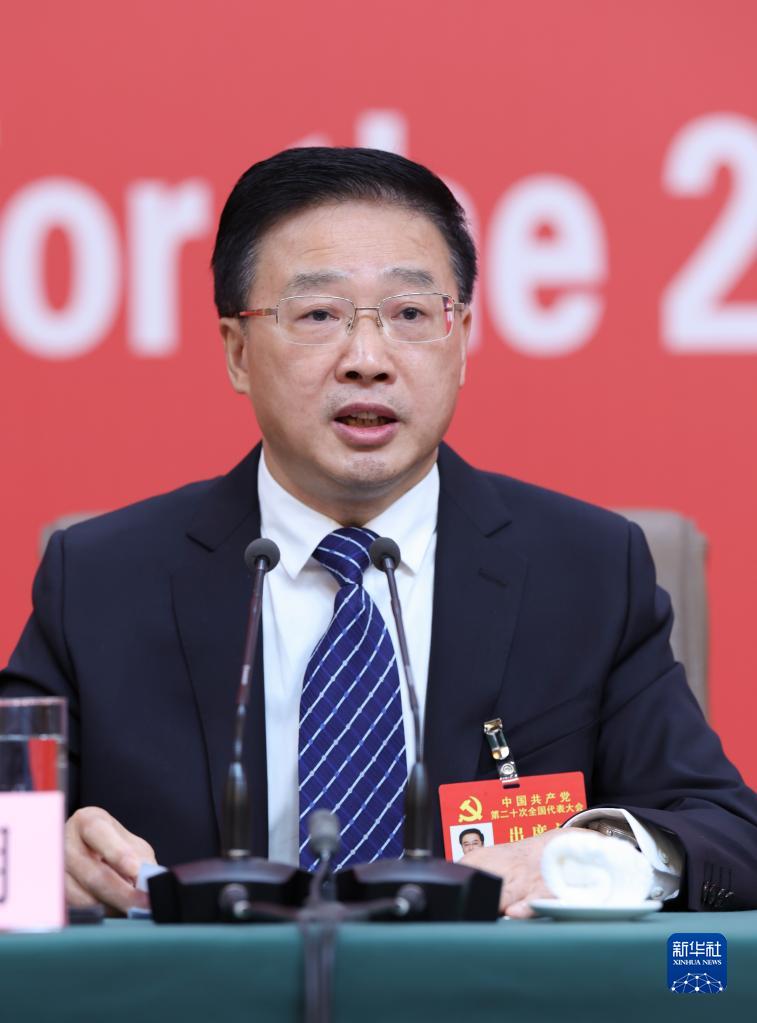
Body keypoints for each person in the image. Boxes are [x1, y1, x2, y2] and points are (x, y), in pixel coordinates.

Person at [2, 147, 756, 918]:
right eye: (318, 315)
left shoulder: (587, 572)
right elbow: (10, 815)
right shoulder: (101, 580)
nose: (367, 360)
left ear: (460, 340)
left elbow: (727, 833)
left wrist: (588, 854)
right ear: (237, 351)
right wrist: (36, 854)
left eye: (410, 314)